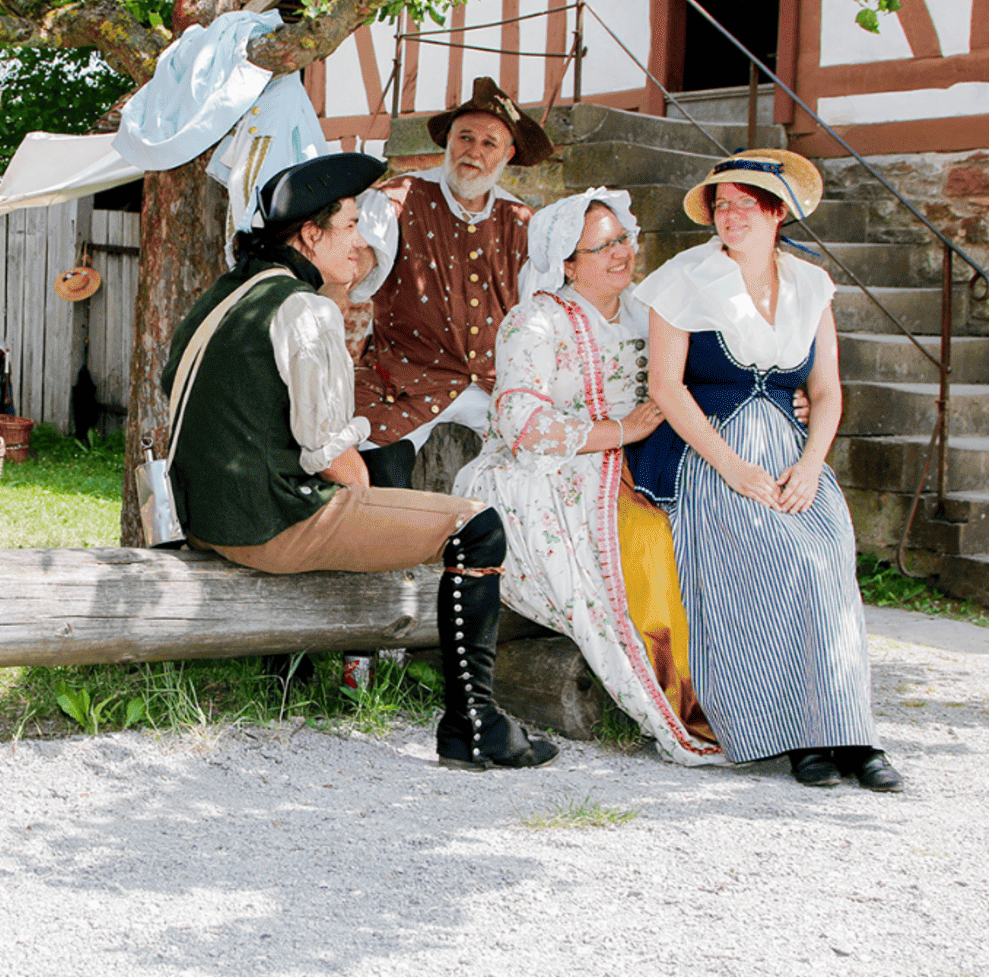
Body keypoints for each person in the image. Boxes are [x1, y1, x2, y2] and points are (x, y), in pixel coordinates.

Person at [162, 151, 557, 771]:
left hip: (204, 515)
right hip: (267, 524)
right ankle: (473, 726)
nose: (360, 243)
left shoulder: (230, 292)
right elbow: (328, 455)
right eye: (347, 226)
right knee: (478, 527)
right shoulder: (307, 310)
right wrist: (371, 500)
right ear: (310, 235)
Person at [629, 150, 902, 792]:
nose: (728, 217)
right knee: (777, 557)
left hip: (789, 448)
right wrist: (730, 467)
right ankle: (793, 735)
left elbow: (827, 389)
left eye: (742, 206)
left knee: (830, 551)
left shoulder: (811, 284)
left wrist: (812, 466)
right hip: (709, 451)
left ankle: (852, 733)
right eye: (720, 206)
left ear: (777, 214)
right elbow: (666, 387)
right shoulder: (681, 279)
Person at [455, 190, 721, 765]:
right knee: (650, 548)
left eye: (622, 237)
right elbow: (520, 422)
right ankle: (689, 706)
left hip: (642, 461)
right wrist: (618, 431)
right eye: (601, 247)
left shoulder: (648, 311)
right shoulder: (537, 320)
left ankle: (755, 697)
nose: (620, 253)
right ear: (567, 264)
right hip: (556, 468)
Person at [351, 77, 551, 463]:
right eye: (465, 138)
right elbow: (351, 285)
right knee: (373, 471)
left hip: (492, 389)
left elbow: (535, 321)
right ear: (448, 142)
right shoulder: (394, 200)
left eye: (489, 143)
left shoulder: (524, 221)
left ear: (508, 155)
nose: (473, 151)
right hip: (404, 383)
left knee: (538, 469)